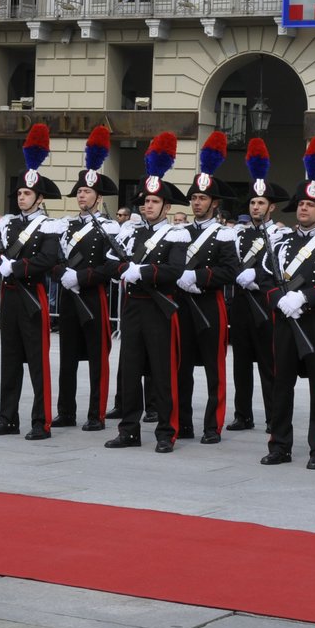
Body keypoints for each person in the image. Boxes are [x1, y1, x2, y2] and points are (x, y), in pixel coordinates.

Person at [260, 138, 315, 469]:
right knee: (281, 386)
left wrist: (305, 297)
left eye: (310, 205)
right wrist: (280, 300)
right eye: (300, 204)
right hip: (284, 322)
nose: (303, 209)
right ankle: (279, 444)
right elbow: (265, 279)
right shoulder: (280, 241)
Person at [104, 133, 189, 453]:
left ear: (166, 205)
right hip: (133, 308)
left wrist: (144, 272)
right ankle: (129, 429)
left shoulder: (176, 234)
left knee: (162, 372)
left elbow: (174, 271)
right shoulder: (131, 233)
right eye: (145, 201)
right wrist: (121, 271)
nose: (148, 205)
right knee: (128, 369)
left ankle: (166, 431)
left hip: (159, 307)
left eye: (154, 201)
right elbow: (113, 262)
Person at [0, 124, 64, 440]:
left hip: (33, 296)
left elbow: (47, 260)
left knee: (38, 363)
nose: (21, 197)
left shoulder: (49, 227)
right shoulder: (7, 225)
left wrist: (15, 266)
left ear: (39, 198)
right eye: (19, 192)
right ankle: (7, 418)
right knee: (10, 361)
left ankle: (41, 422)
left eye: (27, 193)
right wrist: (0, 262)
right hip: (11, 298)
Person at [54, 125, 124, 431]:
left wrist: (80, 277)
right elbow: (52, 257)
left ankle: (96, 413)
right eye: (80, 191)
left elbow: (113, 266)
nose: (82, 196)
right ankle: (66, 411)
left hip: (93, 298)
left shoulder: (109, 228)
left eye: (87, 192)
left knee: (98, 358)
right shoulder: (65, 226)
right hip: (69, 299)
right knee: (67, 357)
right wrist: (63, 274)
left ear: (98, 197)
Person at [174, 132, 239, 444]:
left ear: (214, 203)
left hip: (211, 305)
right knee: (181, 367)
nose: (197, 202)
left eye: (202, 199)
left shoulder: (224, 235)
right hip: (183, 306)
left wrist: (199, 278)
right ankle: (183, 423)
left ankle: (212, 426)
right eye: (194, 198)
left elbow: (229, 271)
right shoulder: (180, 231)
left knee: (214, 369)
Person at [228, 138, 288, 433]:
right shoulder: (237, 234)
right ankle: (243, 414)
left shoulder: (280, 234)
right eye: (252, 202)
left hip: (264, 303)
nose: (255, 206)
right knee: (240, 362)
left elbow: (281, 271)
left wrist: (258, 281)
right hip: (240, 304)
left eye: (261, 202)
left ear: (271, 207)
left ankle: (272, 415)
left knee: (268, 362)